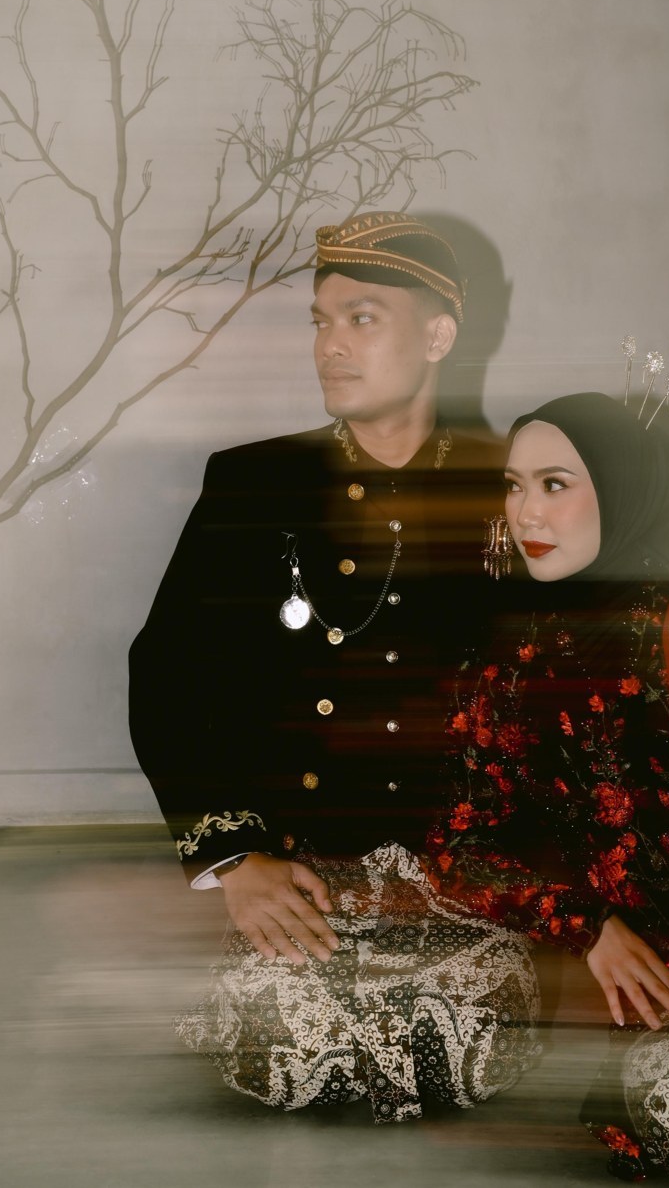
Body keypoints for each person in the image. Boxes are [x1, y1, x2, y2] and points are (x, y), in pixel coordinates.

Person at [129, 211, 540, 1121]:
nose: (330, 345)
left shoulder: (512, 485)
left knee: (468, 1050)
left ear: (437, 335)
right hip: (301, 861)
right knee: (277, 1050)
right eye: (320, 321)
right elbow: (167, 676)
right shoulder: (254, 484)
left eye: (362, 318)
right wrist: (238, 859)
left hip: (465, 871)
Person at [428, 392, 669, 1182]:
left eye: (555, 483)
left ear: (624, 487)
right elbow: (459, 847)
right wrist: (589, 925)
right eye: (513, 484)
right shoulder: (502, 673)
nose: (526, 510)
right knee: (665, 1102)